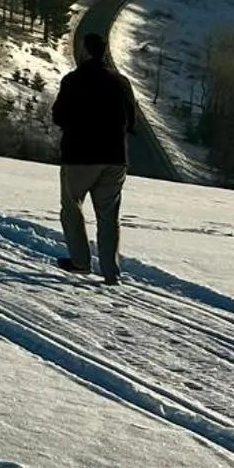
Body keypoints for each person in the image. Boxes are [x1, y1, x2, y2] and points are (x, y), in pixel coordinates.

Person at [51, 31, 141, 284]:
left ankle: (80, 262)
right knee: (109, 215)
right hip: (115, 158)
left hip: (80, 156)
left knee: (72, 206)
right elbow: (132, 121)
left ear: (86, 51)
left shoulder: (73, 80)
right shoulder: (122, 82)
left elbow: (58, 116)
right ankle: (111, 271)